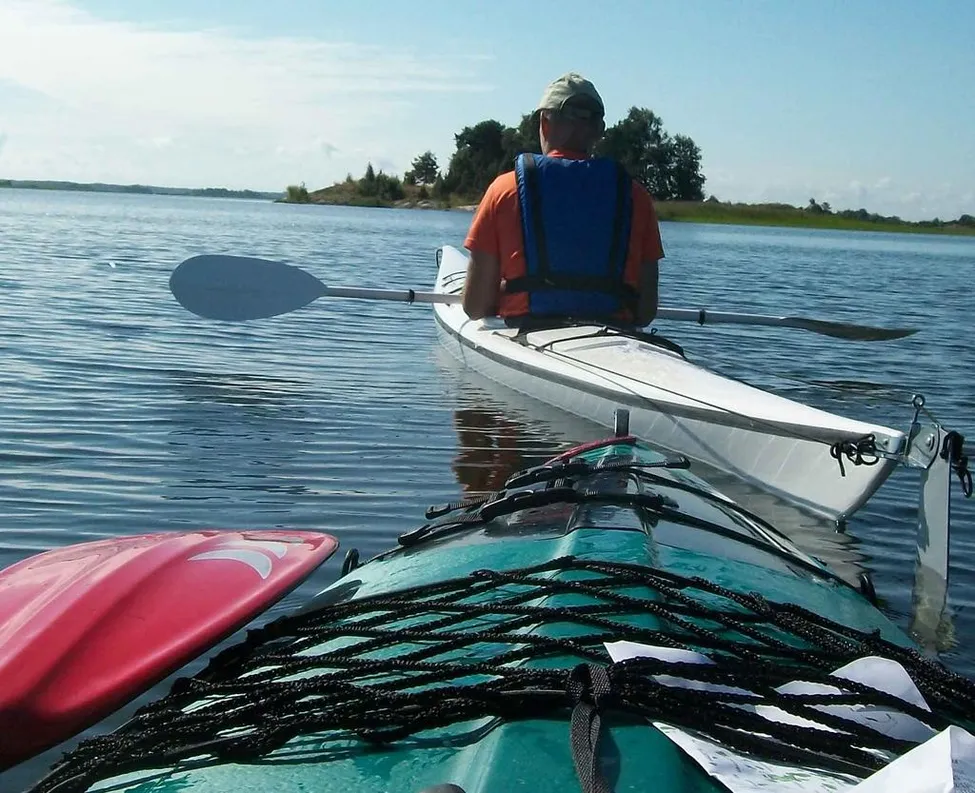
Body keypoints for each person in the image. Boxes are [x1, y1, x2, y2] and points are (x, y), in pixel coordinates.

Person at [461, 72, 664, 327]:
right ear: (599, 131)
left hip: (528, 332)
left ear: (545, 123)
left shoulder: (503, 190)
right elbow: (645, 312)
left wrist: (507, 290)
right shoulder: (637, 197)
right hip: (614, 337)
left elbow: (475, 306)